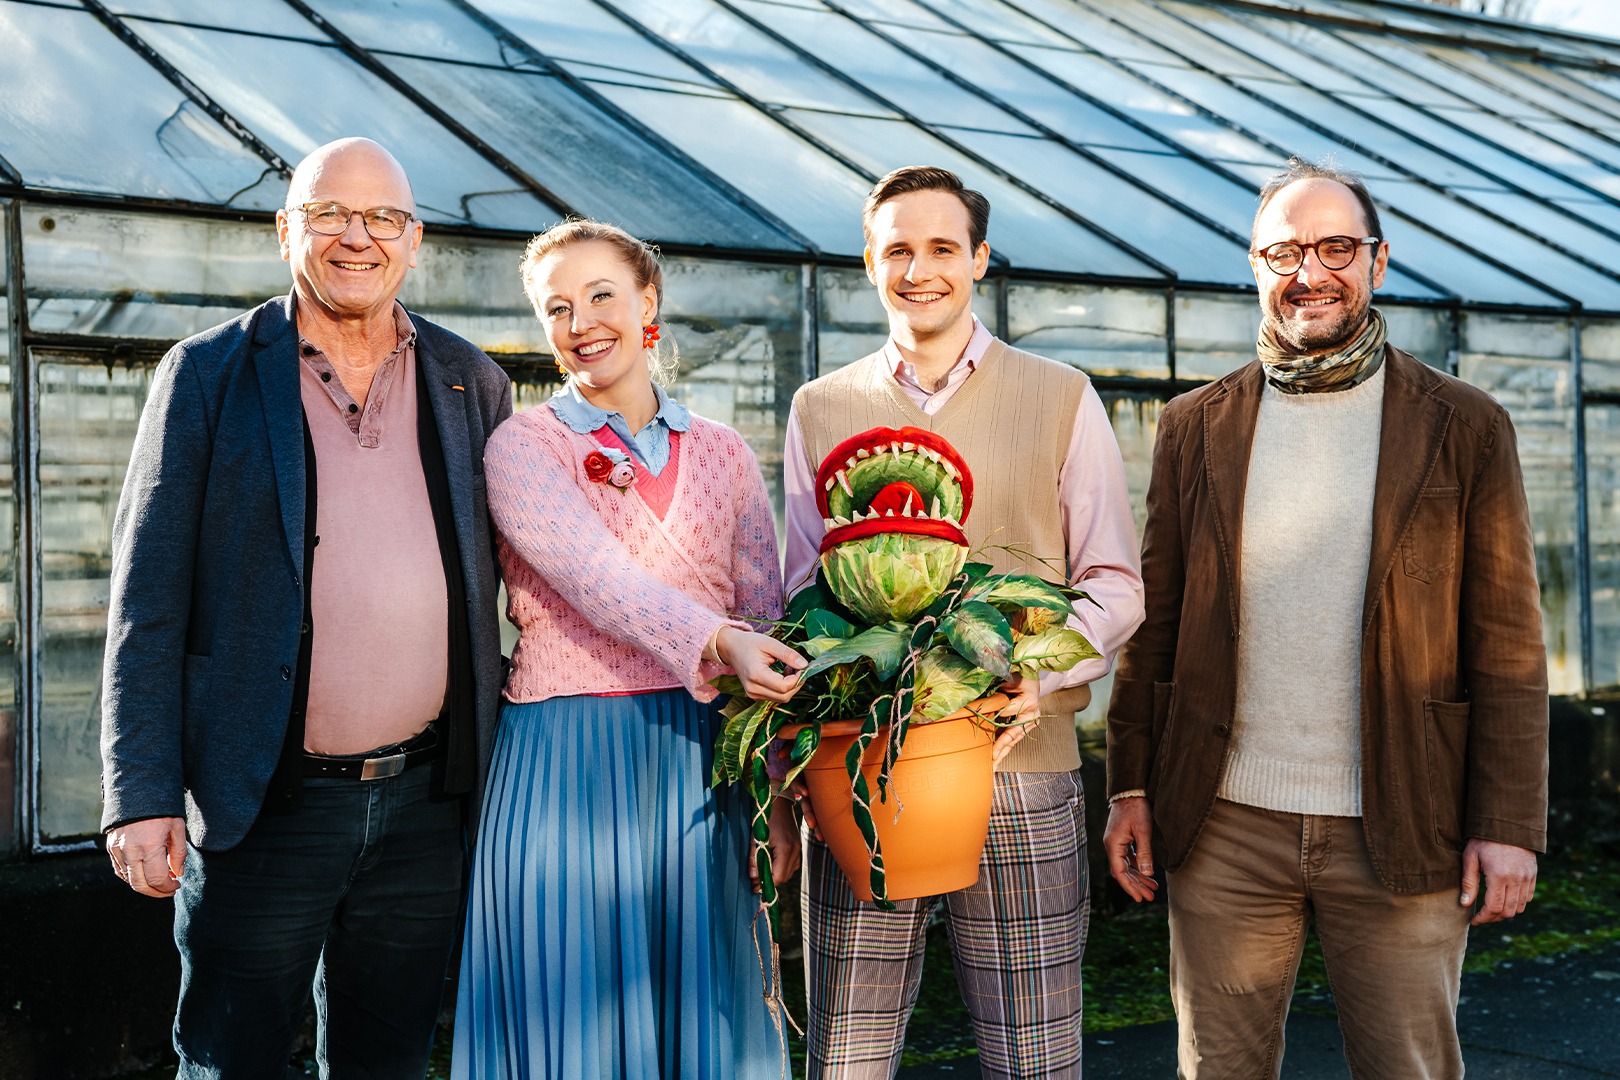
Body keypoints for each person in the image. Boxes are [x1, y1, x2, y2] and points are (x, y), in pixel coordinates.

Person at [1104, 159, 1549, 1079]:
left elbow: (1507, 642)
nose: (1309, 272)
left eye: (1336, 246)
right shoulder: (1195, 425)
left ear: (1378, 262)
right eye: (1283, 251)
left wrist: (1508, 822)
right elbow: (1157, 623)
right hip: (1223, 821)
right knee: (1217, 1069)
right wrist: (1129, 784)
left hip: (1403, 819)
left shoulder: (1464, 425)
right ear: (1255, 267)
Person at [98, 137, 512, 1077]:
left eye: (381, 219)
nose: (354, 237)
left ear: (415, 242)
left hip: (422, 807)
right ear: (286, 232)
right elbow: (147, 598)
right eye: (328, 214)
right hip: (261, 799)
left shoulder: (469, 381)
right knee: (233, 1056)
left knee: (389, 1057)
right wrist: (143, 792)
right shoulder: (209, 375)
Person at [782, 166, 1146, 1078]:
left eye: (943, 248)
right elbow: (798, 593)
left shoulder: (1060, 395)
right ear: (870, 263)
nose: (920, 269)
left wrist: (1040, 675)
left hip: (1021, 767)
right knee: (849, 1052)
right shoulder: (821, 408)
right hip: (860, 762)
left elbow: (1115, 581)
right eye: (897, 249)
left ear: (979, 259)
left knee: (1031, 1052)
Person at [450, 219, 806, 1078]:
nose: (580, 323)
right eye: (557, 308)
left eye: (600, 294)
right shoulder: (524, 445)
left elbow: (766, 614)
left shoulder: (721, 451)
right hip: (566, 760)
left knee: (705, 1008)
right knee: (570, 1006)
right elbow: (593, 578)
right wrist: (719, 639)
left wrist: (777, 795)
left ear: (648, 301)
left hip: (702, 763)